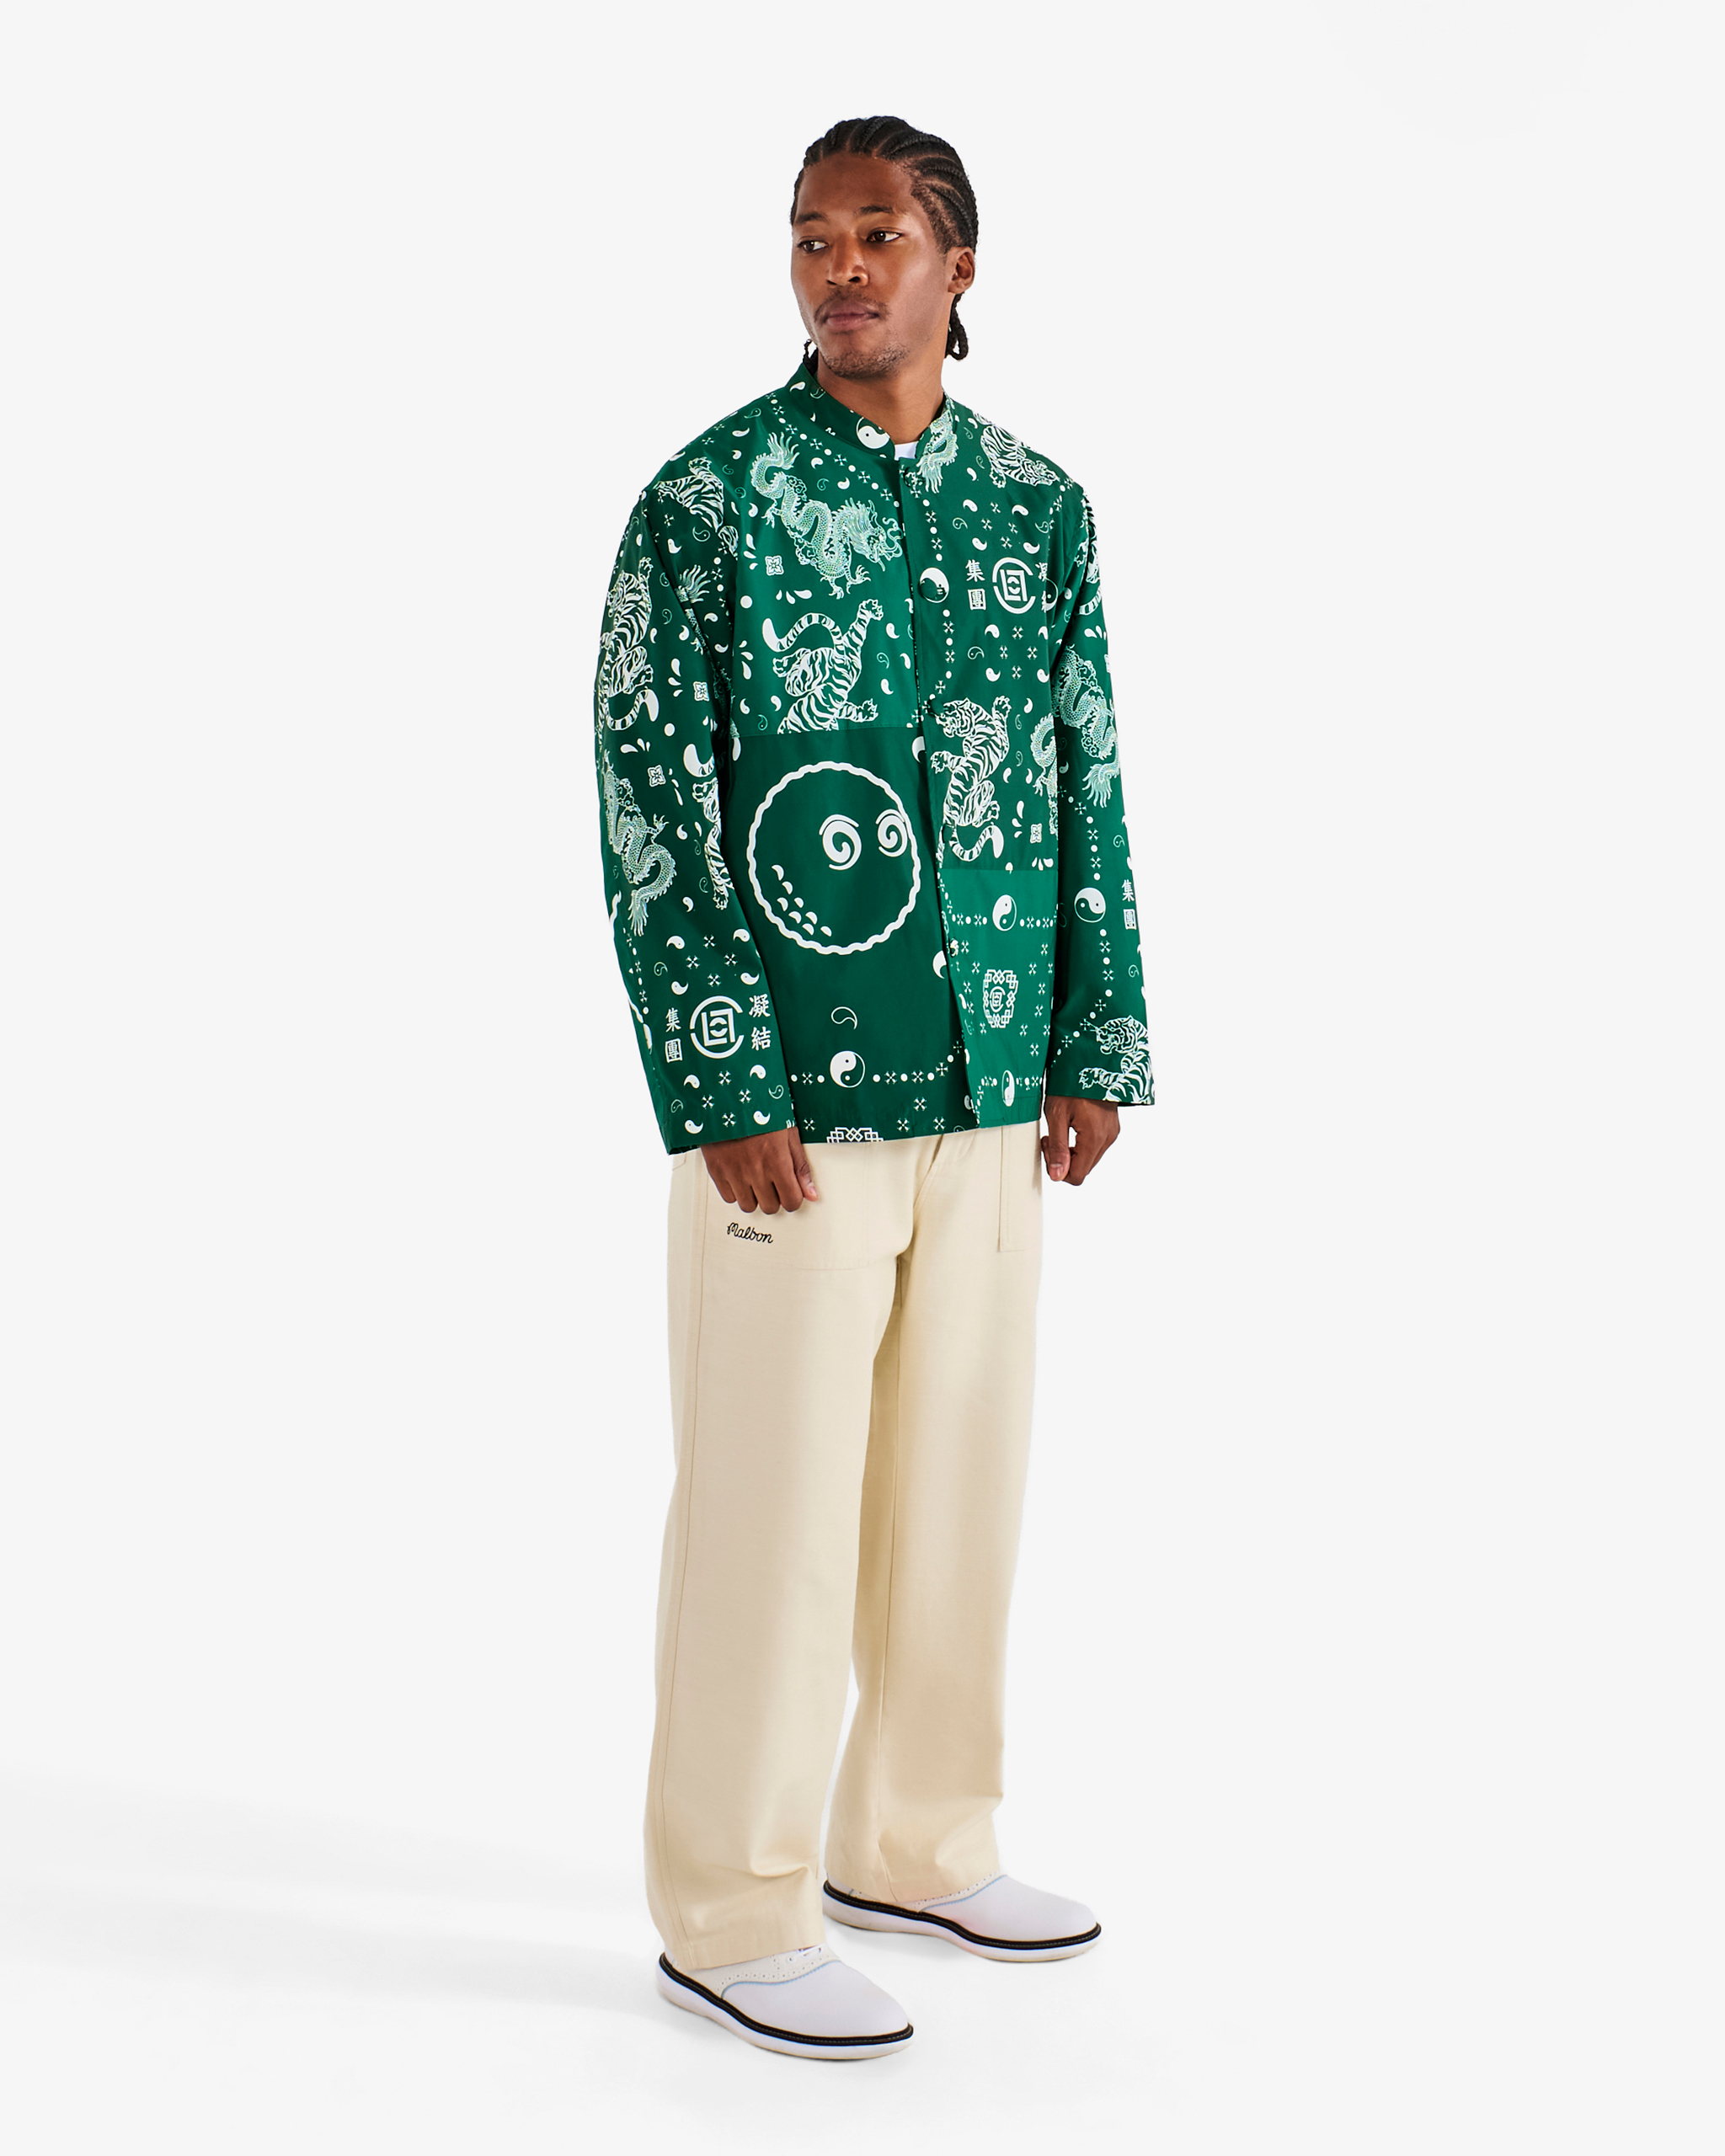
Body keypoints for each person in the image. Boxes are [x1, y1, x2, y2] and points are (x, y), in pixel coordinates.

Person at [592, 114, 1152, 2062]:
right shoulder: (707, 501)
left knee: (956, 1484)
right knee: (770, 1505)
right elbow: (649, 797)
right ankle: (733, 1906)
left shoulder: (1039, 507)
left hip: (993, 1073)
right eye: (812, 236)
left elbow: (1084, 762)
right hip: (793, 1105)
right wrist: (718, 1068)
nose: (841, 267)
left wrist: (1095, 1033)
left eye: (879, 235)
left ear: (955, 266)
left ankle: (915, 1838)